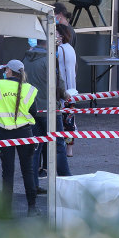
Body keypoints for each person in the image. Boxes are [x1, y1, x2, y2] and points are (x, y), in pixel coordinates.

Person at [23, 38, 73, 194]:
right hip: (50, 109)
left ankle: (33, 185)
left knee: (35, 147)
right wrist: (66, 95)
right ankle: (67, 181)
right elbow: (57, 83)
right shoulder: (49, 59)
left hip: (32, 108)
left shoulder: (26, 59)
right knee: (58, 146)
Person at [0, 59, 40, 218]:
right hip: (25, 133)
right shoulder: (29, 89)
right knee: (28, 170)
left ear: (8, 71)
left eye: (6, 69)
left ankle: (5, 211)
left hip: (5, 133)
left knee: (7, 172)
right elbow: (34, 111)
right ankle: (32, 208)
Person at [56, 24, 77, 157]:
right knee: (69, 121)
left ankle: (62, 147)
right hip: (72, 89)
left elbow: (60, 72)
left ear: (61, 36)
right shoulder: (70, 48)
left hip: (63, 91)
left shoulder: (60, 50)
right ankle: (69, 149)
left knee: (61, 120)